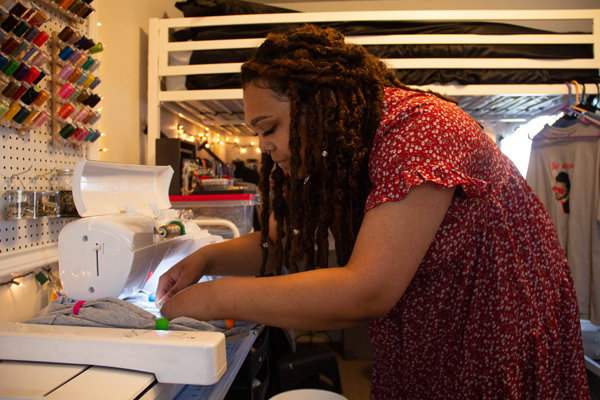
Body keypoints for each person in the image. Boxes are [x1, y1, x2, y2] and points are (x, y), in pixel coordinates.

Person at [157, 25, 589, 398]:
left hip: (496, 327)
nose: (263, 147)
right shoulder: (324, 153)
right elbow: (281, 240)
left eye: (268, 129)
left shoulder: (422, 128)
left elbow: (368, 289)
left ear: (320, 106)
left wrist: (215, 296)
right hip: (427, 331)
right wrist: (208, 259)